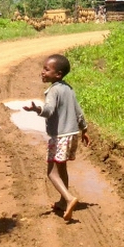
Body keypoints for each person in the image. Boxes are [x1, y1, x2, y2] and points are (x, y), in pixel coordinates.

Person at [24, 54, 89, 222]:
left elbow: (49, 110)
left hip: (59, 136)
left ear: (58, 74)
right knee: (62, 168)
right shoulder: (68, 89)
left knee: (51, 173)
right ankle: (62, 201)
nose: (42, 72)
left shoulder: (53, 90)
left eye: (47, 69)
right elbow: (78, 111)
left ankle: (68, 198)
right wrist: (85, 129)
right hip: (71, 134)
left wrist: (36, 109)